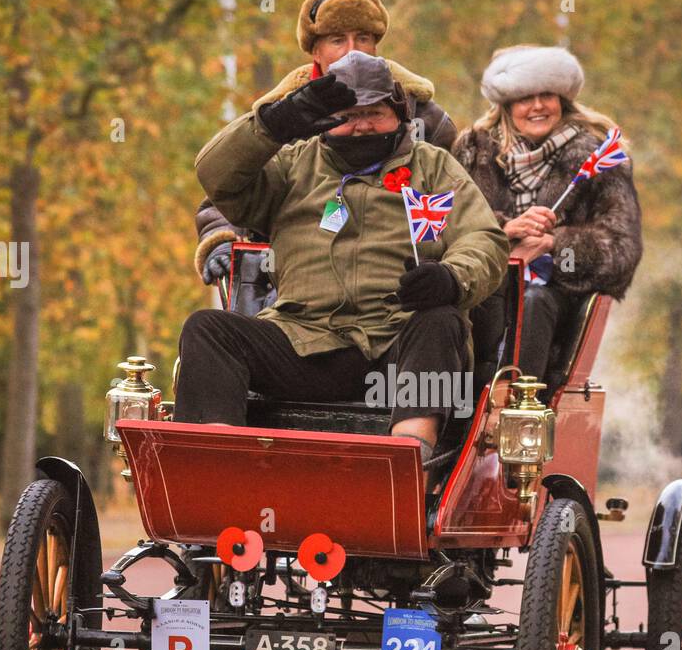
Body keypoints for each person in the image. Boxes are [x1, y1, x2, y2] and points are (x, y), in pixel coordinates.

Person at [178, 52, 508, 467]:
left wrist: (450, 278)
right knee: (207, 329)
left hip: (396, 351)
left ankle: (408, 465)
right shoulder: (292, 165)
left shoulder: (435, 167)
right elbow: (216, 177)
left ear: (401, 113)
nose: (362, 125)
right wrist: (269, 126)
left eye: (374, 112)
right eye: (347, 115)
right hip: (303, 342)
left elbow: (485, 240)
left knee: (441, 319)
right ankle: (220, 466)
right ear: (323, 120)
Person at [194, 0, 458, 292]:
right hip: (294, 273)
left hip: (398, 268)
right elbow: (226, 188)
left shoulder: (420, 113)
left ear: (376, 45)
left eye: (363, 38)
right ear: (315, 51)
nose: (352, 50)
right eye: (337, 40)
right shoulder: (281, 114)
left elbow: (458, 192)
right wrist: (222, 240)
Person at [453, 45, 641, 383]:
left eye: (547, 95)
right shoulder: (472, 150)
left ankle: (515, 404)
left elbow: (622, 250)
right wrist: (504, 230)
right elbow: (450, 222)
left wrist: (555, 244)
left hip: (557, 295)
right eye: (526, 97)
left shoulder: (597, 156)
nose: (537, 106)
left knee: (534, 301)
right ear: (507, 105)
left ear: (562, 100)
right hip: (484, 282)